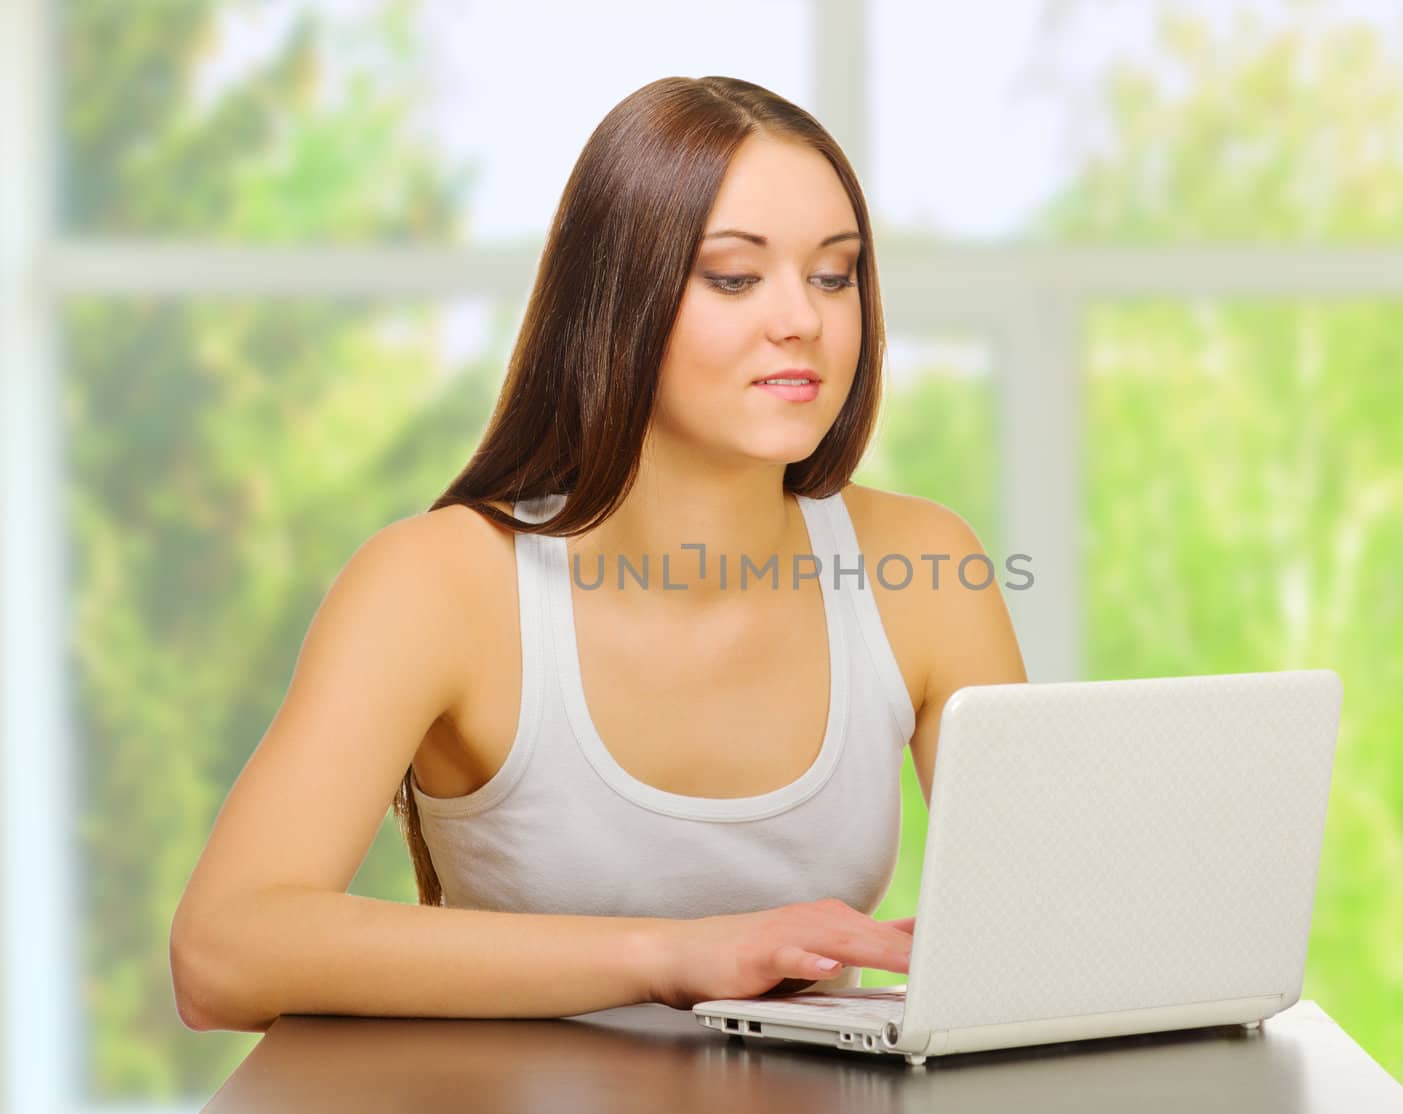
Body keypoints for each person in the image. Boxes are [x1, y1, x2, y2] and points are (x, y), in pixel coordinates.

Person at [170, 75, 1028, 1033]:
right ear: (619, 298)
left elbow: (1041, 934)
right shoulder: (439, 584)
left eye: (834, 274)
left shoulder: (924, 563)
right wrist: (670, 955)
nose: (805, 319)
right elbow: (224, 951)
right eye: (735, 276)